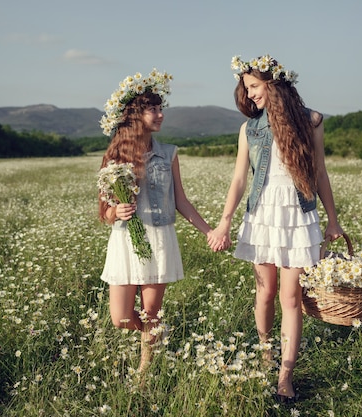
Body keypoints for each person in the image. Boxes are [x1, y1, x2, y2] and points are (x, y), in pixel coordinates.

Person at [208, 55, 344, 403]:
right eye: (246, 88)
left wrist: (333, 220)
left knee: (291, 298)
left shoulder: (310, 121)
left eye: (253, 86)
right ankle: (267, 352)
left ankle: (285, 376)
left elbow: (320, 174)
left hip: (298, 215)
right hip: (262, 215)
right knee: (265, 293)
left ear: (273, 83)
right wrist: (225, 221)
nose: (249, 94)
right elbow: (239, 178)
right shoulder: (249, 129)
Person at [98, 69, 215, 373]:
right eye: (153, 108)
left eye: (161, 108)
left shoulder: (169, 154)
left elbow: (181, 201)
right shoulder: (115, 157)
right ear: (135, 113)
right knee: (121, 318)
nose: (160, 114)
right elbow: (105, 211)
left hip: (159, 238)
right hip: (126, 241)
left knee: (151, 312)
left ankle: (144, 372)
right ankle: (156, 335)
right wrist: (117, 212)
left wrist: (209, 231)